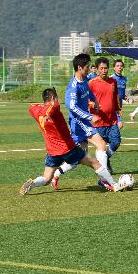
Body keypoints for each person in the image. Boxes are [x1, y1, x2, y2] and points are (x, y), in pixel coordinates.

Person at [20, 87, 129, 195]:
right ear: (53, 98)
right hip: (68, 149)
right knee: (94, 162)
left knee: (46, 178)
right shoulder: (55, 107)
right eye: (57, 98)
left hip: (52, 152)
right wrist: (48, 114)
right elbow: (53, 107)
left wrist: (44, 111)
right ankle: (114, 184)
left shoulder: (35, 109)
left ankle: (33, 183)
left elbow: (32, 105)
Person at [53, 53, 113, 190]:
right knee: (101, 144)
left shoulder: (85, 79)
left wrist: (95, 101)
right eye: (87, 67)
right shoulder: (73, 87)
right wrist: (89, 117)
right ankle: (103, 179)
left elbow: (88, 91)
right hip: (78, 122)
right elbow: (72, 107)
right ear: (80, 68)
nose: (89, 69)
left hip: (84, 122)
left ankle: (57, 173)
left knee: (78, 158)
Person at [88, 57, 123, 173]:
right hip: (99, 122)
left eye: (106, 68)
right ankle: (103, 171)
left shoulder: (113, 81)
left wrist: (118, 111)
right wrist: (93, 105)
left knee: (116, 142)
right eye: (101, 68)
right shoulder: (91, 83)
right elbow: (85, 100)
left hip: (112, 120)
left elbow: (115, 97)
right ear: (97, 70)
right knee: (101, 148)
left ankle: (106, 159)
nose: (104, 70)